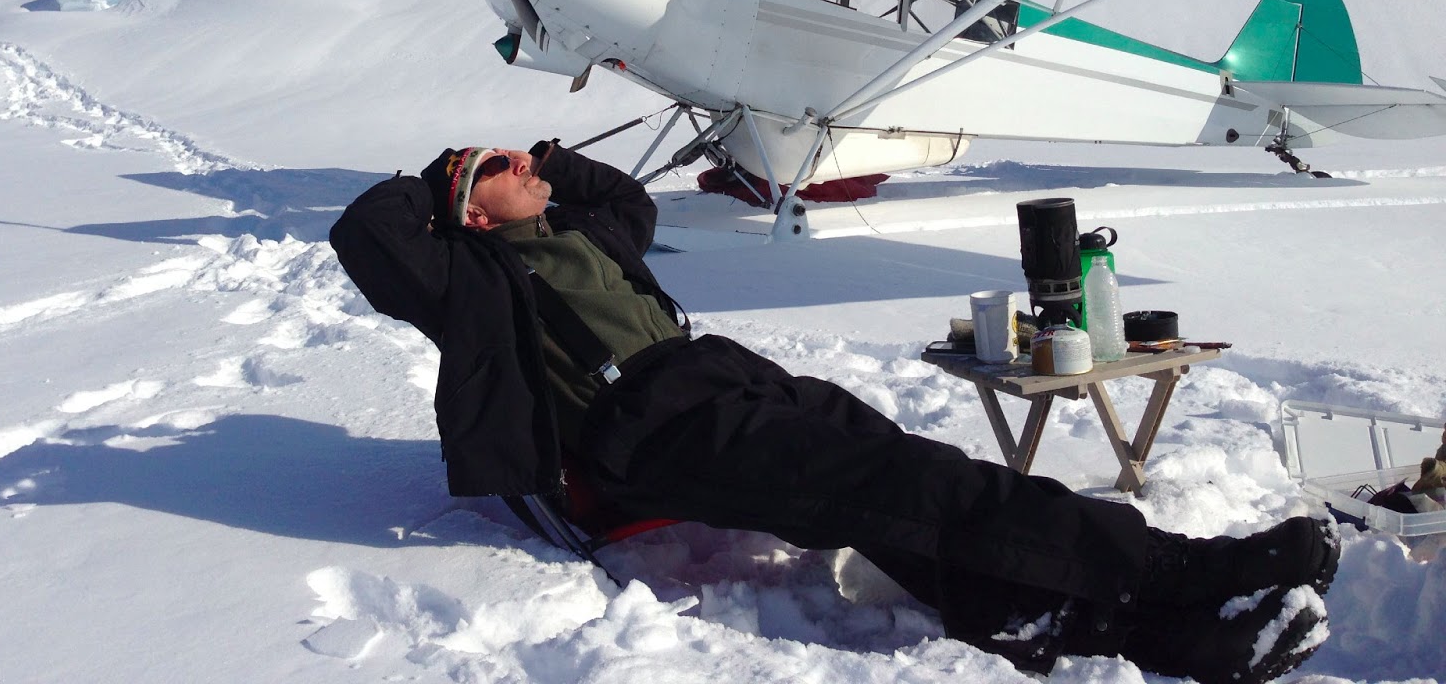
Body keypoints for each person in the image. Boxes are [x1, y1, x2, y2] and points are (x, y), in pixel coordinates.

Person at [330, 141, 1340, 683]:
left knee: (895, 476)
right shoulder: (468, 279)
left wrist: (544, 155)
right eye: (494, 167)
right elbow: (362, 232)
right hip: (648, 428)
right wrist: (432, 179)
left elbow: (625, 195)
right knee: (915, 489)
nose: (519, 167)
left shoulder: (579, 232)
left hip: (713, 374)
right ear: (465, 211)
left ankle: (1140, 635)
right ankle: (1179, 572)